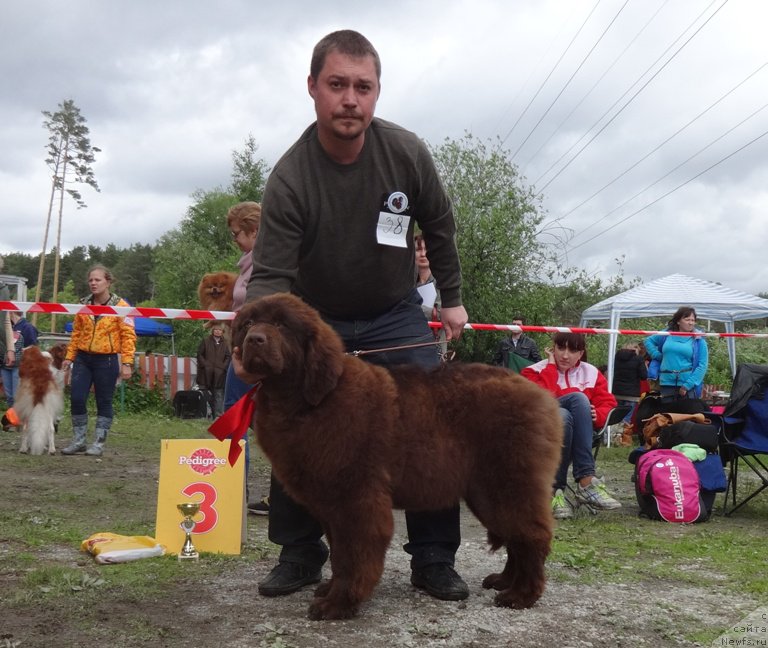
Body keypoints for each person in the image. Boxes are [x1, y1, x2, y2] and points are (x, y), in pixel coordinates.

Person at [237, 29, 470, 602]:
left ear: (377, 93)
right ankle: (299, 553)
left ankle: (434, 557)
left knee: (427, 424)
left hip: (394, 312)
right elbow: (269, 275)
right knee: (295, 422)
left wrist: (452, 297)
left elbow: (438, 224)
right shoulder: (291, 177)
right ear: (313, 88)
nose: (350, 99)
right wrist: (253, 343)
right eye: (337, 84)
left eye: (362, 87)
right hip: (318, 323)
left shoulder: (406, 152)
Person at [521, 332, 621, 520]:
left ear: (581, 353)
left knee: (567, 413)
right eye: (560, 348)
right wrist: (550, 368)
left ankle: (555, 492)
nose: (565, 355)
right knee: (569, 407)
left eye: (573, 350)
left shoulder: (591, 372)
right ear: (553, 348)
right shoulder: (532, 371)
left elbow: (609, 404)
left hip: (582, 434)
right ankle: (586, 480)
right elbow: (541, 400)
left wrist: (597, 414)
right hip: (540, 435)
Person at [221, 201, 270, 515]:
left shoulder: (264, 266)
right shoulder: (249, 264)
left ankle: (233, 489)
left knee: (234, 418)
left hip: (253, 355)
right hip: (245, 348)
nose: (235, 239)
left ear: (253, 231)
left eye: (238, 233)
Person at [61, 265, 136, 456]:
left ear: (108, 282)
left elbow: (128, 336)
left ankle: (99, 443)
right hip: (83, 358)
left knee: (104, 400)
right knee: (77, 398)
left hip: (107, 360)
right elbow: (76, 333)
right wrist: (69, 357)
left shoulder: (121, 307)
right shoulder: (83, 304)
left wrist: (127, 363)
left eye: (98, 280)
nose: (93, 283)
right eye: (90, 280)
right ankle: (78, 441)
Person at [644, 306, 708, 400]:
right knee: (666, 414)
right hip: (666, 383)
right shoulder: (666, 334)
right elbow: (648, 341)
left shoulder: (699, 340)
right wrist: (657, 355)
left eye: (693, 320)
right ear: (678, 321)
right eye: (687, 319)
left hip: (687, 386)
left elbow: (702, 365)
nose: (691, 323)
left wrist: (687, 385)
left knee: (686, 415)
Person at [612, 341, 648, 446]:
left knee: (616, 417)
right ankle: (623, 440)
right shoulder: (638, 359)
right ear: (635, 349)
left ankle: (614, 437)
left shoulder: (616, 358)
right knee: (627, 418)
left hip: (617, 392)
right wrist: (644, 366)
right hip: (631, 394)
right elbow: (644, 376)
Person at [196, 323, 230, 417]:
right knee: (207, 394)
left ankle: (218, 416)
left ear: (222, 332)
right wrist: (205, 365)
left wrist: (223, 367)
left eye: (220, 330)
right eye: (216, 330)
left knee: (219, 394)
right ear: (213, 331)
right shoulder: (206, 341)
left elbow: (228, 357)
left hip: (219, 374)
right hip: (206, 373)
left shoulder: (226, 344)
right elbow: (200, 355)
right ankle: (208, 414)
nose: (218, 331)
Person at [1, 312, 34, 408]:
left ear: (10, 313)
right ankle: (11, 417)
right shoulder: (5, 326)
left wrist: (24, 350)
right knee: (9, 396)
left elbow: (34, 345)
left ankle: (19, 415)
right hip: (5, 365)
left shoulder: (27, 327)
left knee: (17, 394)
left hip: (19, 366)